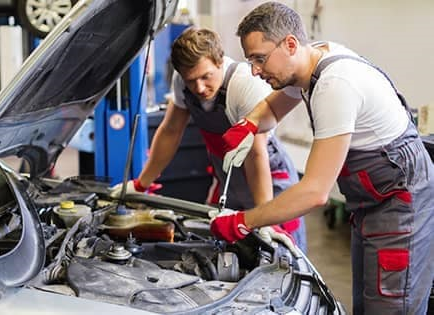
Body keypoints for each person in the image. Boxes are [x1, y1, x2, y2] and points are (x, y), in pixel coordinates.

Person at [210, 2, 434, 314]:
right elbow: (273, 109)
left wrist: (244, 221)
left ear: (290, 44)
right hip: (372, 205)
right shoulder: (308, 61)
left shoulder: (334, 85)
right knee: (369, 305)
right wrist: (249, 124)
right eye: (250, 61)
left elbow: (315, 192)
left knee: (392, 307)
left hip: (401, 209)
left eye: (259, 59)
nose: (255, 70)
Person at [111, 27, 307, 252]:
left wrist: (265, 216)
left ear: (219, 61)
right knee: (220, 247)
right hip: (228, 177)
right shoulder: (184, 81)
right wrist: (141, 184)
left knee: (281, 254)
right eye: (191, 80)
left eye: (206, 77)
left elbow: (255, 153)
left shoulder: (243, 85)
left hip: (269, 180)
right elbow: (171, 131)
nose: (199, 88)